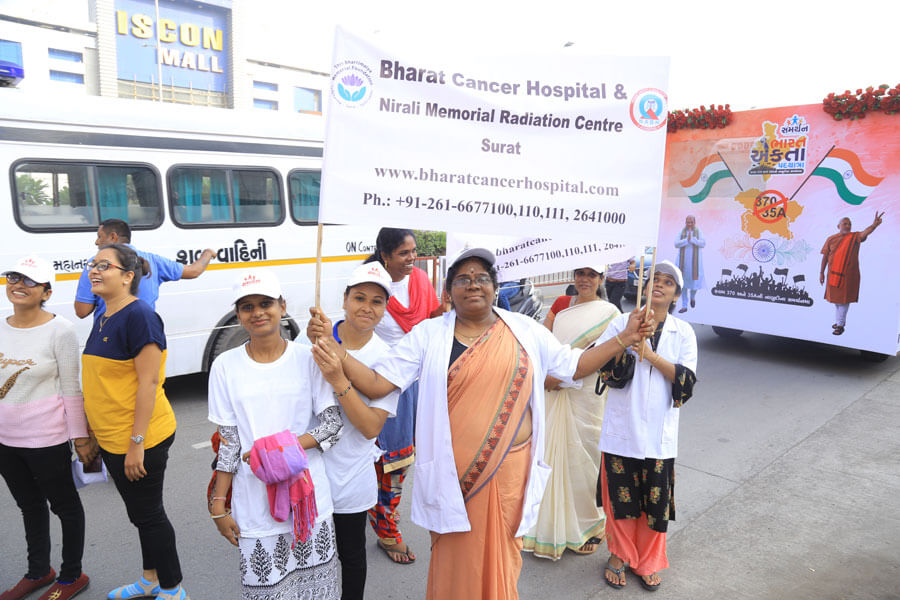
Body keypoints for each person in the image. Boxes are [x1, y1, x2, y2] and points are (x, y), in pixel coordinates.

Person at [307, 247, 655, 600]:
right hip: (451, 478)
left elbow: (573, 366)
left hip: (509, 474)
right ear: (448, 291)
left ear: (494, 287)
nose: (473, 284)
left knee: (500, 560)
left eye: (482, 278)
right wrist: (336, 351)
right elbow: (378, 383)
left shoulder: (525, 330)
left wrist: (624, 338)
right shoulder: (428, 335)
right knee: (456, 564)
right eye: (463, 279)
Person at [207, 270, 342, 600]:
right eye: (247, 306)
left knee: (316, 591)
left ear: (282, 306)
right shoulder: (224, 366)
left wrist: (275, 450)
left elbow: (332, 426)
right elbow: (229, 443)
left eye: (265, 303)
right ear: (238, 314)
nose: (257, 312)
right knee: (267, 590)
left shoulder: (308, 359)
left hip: (307, 498)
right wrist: (219, 504)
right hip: (253, 499)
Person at [80, 243, 190, 600]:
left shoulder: (140, 315)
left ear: (128, 276)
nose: (94, 270)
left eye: (104, 265)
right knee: (140, 515)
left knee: (149, 515)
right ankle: (149, 579)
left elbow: (149, 383)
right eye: (93, 264)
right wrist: (93, 433)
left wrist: (136, 444)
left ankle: (172, 588)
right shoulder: (105, 314)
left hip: (142, 437)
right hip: (112, 436)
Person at [594, 260, 697, 592]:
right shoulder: (622, 323)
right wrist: (627, 339)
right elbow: (606, 370)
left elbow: (686, 382)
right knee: (621, 500)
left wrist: (650, 354)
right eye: (655, 279)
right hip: (622, 430)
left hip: (658, 435)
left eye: (668, 282)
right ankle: (620, 554)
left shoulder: (684, 332)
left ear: (676, 295)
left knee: (655, 504)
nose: (660, 285)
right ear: (644, 287)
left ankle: (648, 560)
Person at [0, 256, 93, 600]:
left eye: (29, 280)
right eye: (13, 277)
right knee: (29, 506)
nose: (18, 285)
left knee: (65, 508)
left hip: (47, 439)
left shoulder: (60, 330)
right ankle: (39, 571)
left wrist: (80, 439)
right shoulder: (0, 326)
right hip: (5, 440)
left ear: (46, 292)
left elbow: (71, 387)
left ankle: (71, 576)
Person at [312, 262, 400, 599]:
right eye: (359, 297)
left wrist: (339, 378)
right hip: (308, 473)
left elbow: (370, 427)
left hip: (351, 474)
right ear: (345, 299)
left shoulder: (388, 358)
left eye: (377, 301)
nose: (367, 307)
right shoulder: (314, 339)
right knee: (311, 558)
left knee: (350, 555)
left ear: (385, 308)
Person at [523, 267, 620, 559]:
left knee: (584, 458)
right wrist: (547, 374)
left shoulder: (610, 314)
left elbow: (606, 355)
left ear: (601, 279)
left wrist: (563, 377)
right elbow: (543, 344)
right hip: (552, 389)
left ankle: (588, 524)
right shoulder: (562, 306)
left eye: (592, 274)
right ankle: (547, 522)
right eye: (580, 273)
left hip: (586, 393)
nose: (585, 279)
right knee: (547, 454)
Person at [362, 227, 441, 564]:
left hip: (419, 380)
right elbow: (356, 330)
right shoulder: (371, 286)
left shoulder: (420, 280)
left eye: (414, 251)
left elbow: (432, 320)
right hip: (383, 382)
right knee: (389, 460)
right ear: (385, 255)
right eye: (404, 253)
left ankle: (379, 512)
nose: (412, 259)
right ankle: (385, 528)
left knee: (408, 458)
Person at [74, 219, 214, 318]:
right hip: (144, 331)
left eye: (100, 237)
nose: (96, 242)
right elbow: (194, 271)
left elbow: (82, 311)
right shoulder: (153, 260)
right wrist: (208, 253)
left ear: (113, 237)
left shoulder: (95, 264)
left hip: (110, 336)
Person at [819, 212, 884, 335]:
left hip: (848, 276)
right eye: (845, 224)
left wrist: (874, 225)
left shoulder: (855, 237)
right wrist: (821, 272)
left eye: (849, 224)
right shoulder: (831, 239)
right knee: (836, 300)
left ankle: (840, 325)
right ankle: (839, 321)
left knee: (844, 300)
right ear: (838, 226)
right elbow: (825, 257)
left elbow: (865, 232)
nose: (848, 226)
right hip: (832, 274)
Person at [674, 215, 705, 313]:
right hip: (683, 263)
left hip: (695, 264)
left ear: (694, 222)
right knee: (683, 284)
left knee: (694, 282)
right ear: (685, 222)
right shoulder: (682, 232)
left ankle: (692, 297)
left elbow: (703, 243)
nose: (690, 224)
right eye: (688, 222)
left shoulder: (698, 232)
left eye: (691, 222)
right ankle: (684, 305)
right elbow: (676, 244)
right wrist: (686, 240)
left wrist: (693, 240)